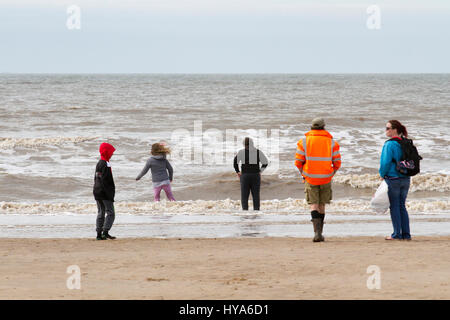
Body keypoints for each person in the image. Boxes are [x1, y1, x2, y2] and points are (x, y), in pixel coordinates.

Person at [295, 118, 341, 242]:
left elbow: (298, 162)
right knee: (322, 205)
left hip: (310, 177)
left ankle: (316, 233)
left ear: (311, 127)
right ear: (323, 127)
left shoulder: (303, 142)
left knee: (313, 204)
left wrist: (303, 174)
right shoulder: (331, 143)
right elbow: (337, 163)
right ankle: (320, 233)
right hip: (325, 178)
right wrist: (331, 174)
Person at [379, 120, 411, 241]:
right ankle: (406, 234)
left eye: (388, 128)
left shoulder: (389, 144)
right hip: (406, 178)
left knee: (394, 206)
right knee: (402, 205)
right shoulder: (406, 142)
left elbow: (385, 162)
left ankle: (397, 234)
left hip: (393, 178)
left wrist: (382, 174)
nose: (386, 130)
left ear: (395, 130)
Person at [233, 137, 269, 211]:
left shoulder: (241, 152)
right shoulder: (258, 152)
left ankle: (245, 212)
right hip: (255, 175)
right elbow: (265, 162)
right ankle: (256, 212)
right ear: (252, 143)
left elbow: (235, 162)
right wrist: (260, 171)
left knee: (244, 196)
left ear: (244, 144)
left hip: (245, 176)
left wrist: (238, 172)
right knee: (256, 195)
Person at [93, 142, 117, 240]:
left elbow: (96, 178)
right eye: (111, 152)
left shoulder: (99, 162)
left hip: (97, 191)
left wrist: (96, 189)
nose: (112, 154)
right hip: (105, 192)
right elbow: (106, 181)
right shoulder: (106, 164)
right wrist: (110, 195)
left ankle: (99, 234)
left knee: (101, 212)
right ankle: (105, 232)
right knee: (111, 213)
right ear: (106, 152)